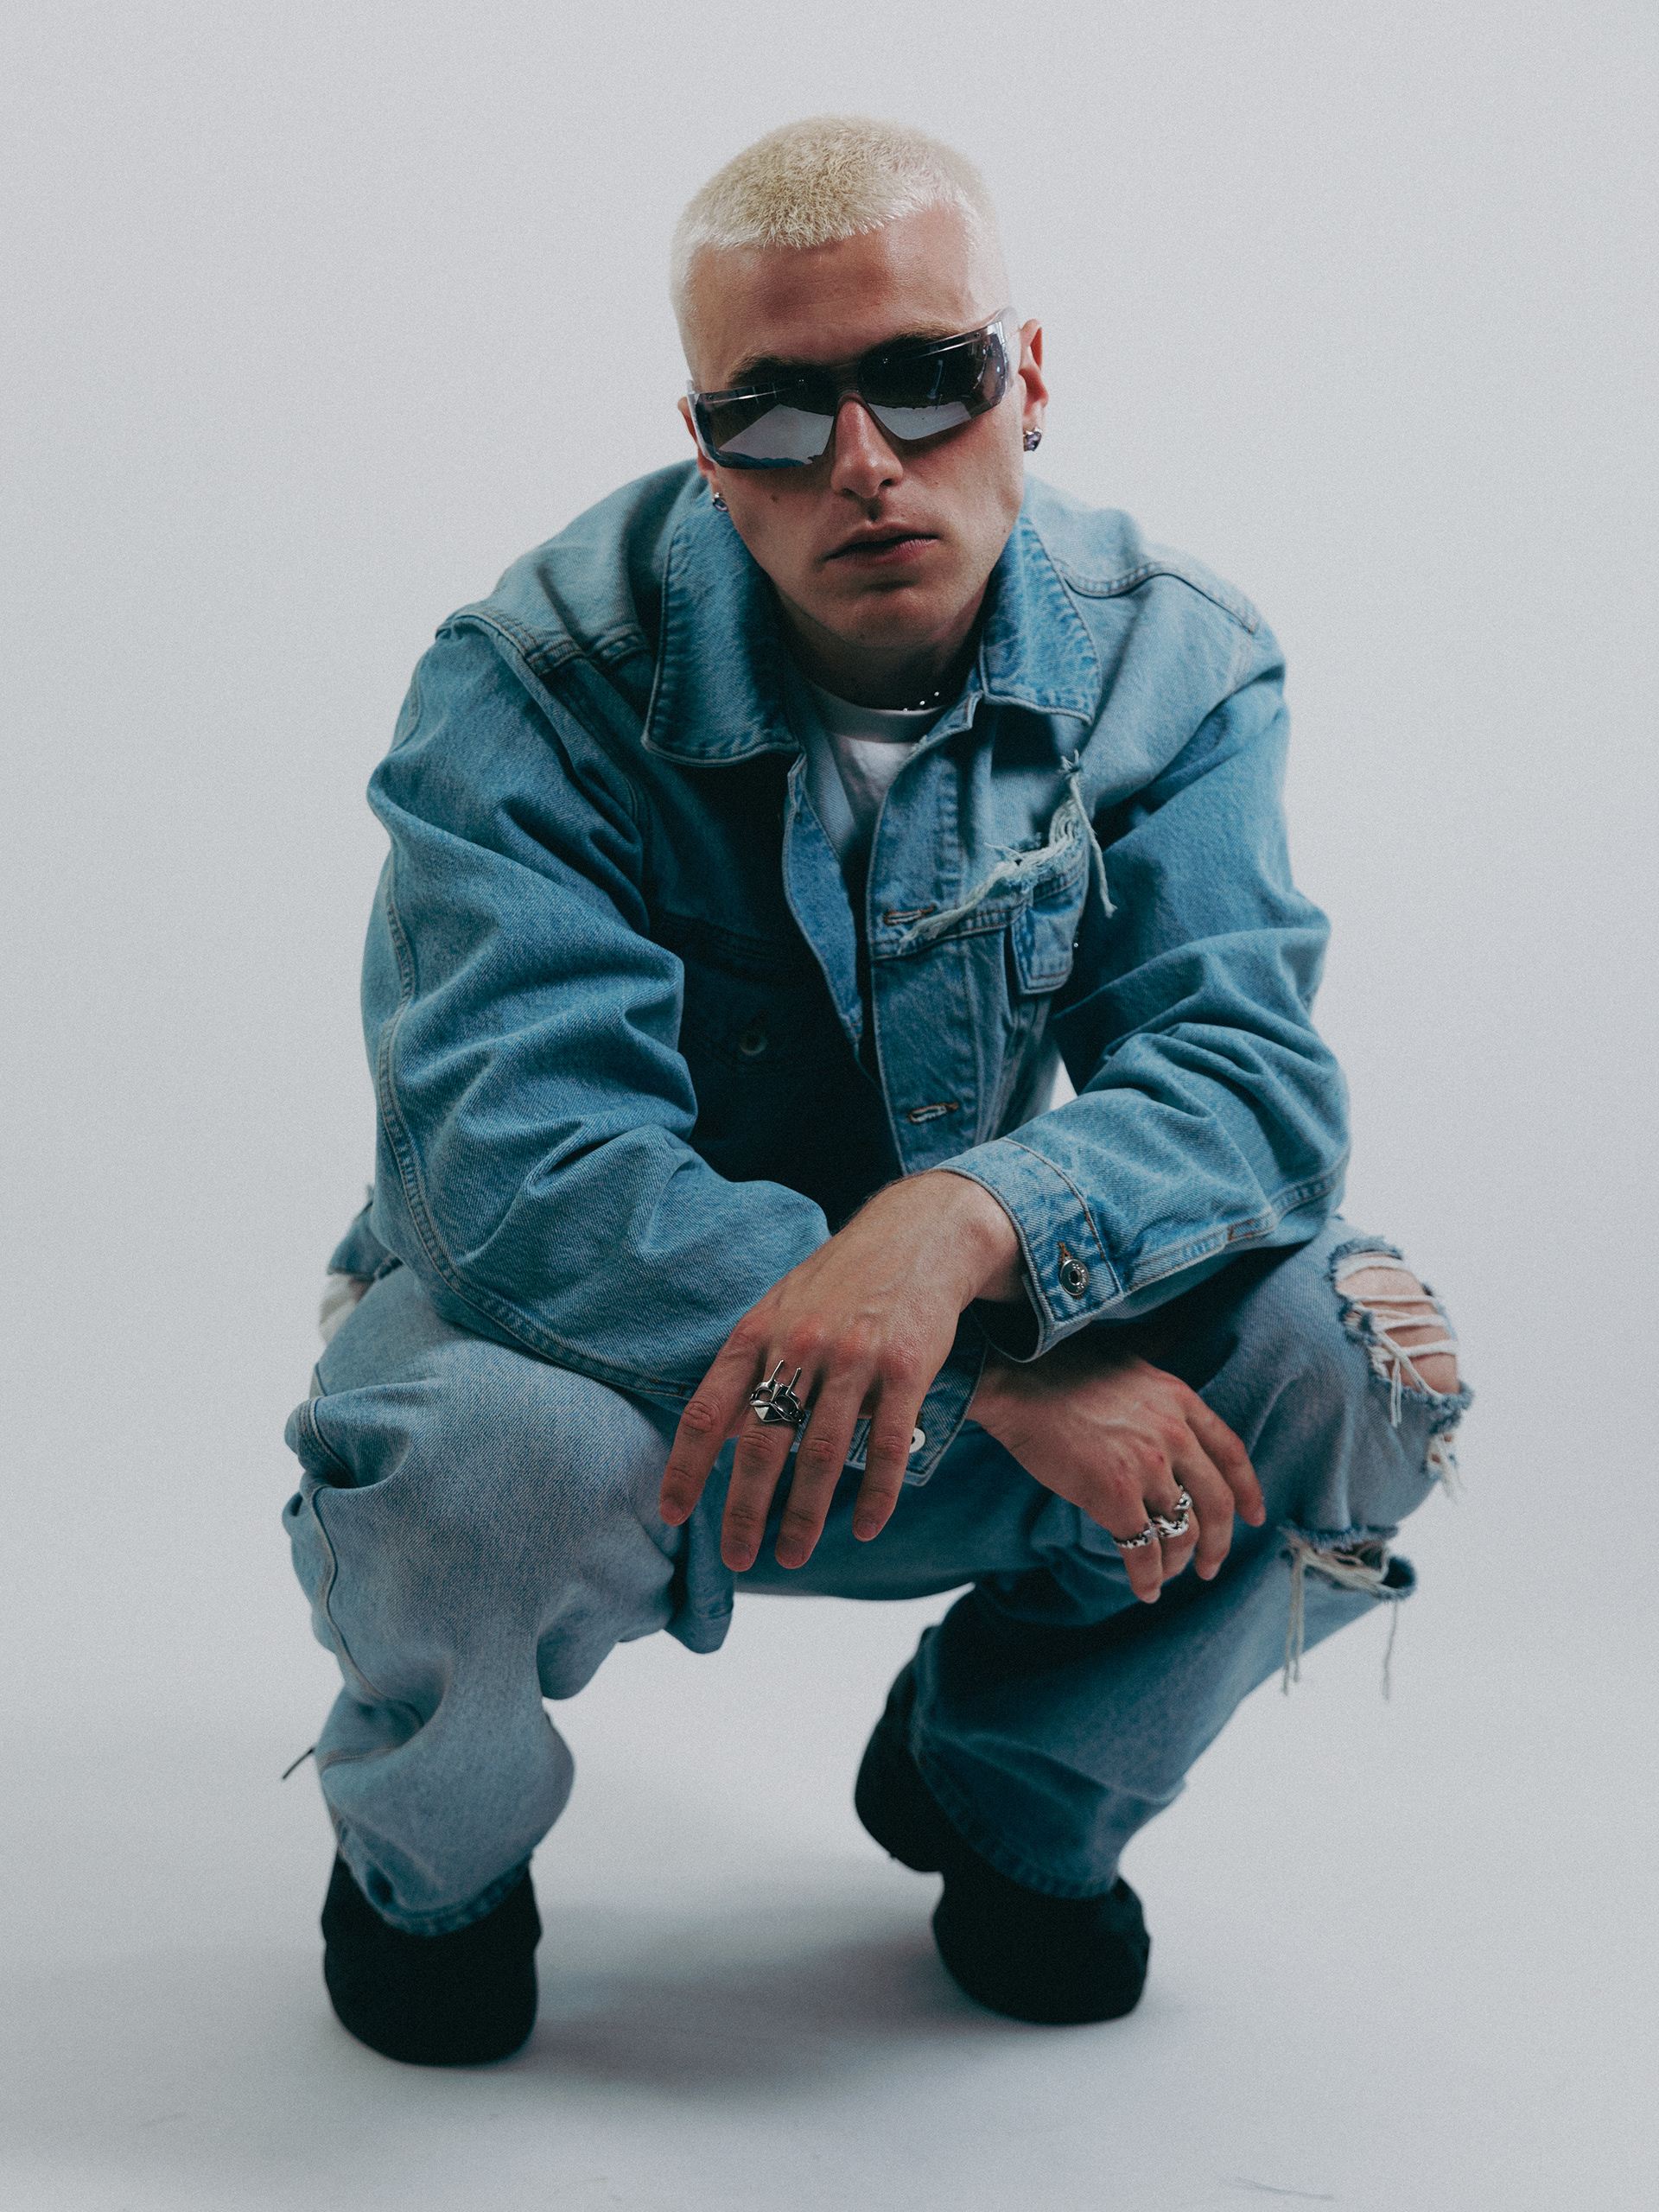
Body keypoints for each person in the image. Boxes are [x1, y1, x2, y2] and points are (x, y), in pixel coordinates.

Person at [284, 115, 1470, 2067]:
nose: (862, 460)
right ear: (704, 445)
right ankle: (434, 1865)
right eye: (775, 412)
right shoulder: (532, 677)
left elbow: (1247, 1084)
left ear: (1030, 377)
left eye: (928, 377)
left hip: (987, 1321)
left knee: (1360, 1355)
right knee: (459, 1458)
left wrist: (967, 1225)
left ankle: (1009, 1791)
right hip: (612, 1361)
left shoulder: (1174, 660)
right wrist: (982, 1367)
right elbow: (513, 1173)